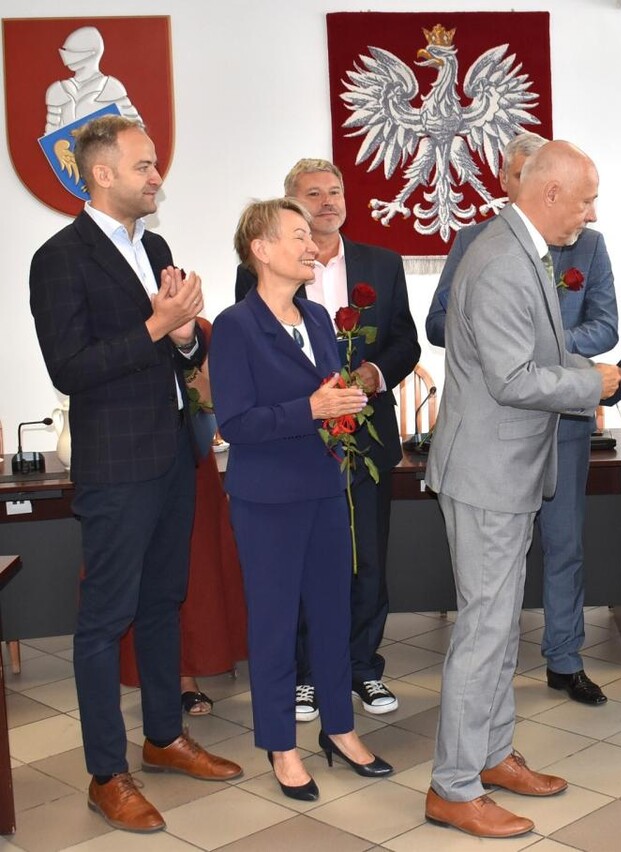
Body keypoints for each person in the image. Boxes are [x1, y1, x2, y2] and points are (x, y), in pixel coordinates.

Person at [29, 114, 242, 834]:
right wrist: (156, 327)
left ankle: (163, 738)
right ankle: (105, 774)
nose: (157, 176)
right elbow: (70, 367)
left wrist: (183, 339)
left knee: (162, 604)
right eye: (144, 165)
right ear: (102, 174)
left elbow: (178, 359)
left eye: (155, 165)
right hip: (117, 467)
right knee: (104, 621)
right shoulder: (60, 258)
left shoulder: (155, 247)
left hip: (172, 454)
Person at [424, 140, 621, 838]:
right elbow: (513, 379)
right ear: (551, 193)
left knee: (501, 624)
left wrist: (590, 372)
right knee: (483, 631)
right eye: (586, 200)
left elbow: (539, 350)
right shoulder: (503, 260)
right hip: (487, 473)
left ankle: (491, 754)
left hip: (506, 468)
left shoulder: (521, 246)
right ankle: (453, 786)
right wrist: (589, 383)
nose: (591, 214)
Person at [211, 198, 394, 803]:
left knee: (334, 613)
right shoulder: (236, 326)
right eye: (298, 235)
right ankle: (281, 746)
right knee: (274, 624)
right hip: (267, 501)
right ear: (261, 250)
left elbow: (328, 396)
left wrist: (342, 407)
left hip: (324, 488)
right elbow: (236, 422)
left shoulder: (316, 318)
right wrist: (312, 409)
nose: (312, 245)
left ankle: (340, 728)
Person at [235, 159, 421, 721]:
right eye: (312, 194)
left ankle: (362, 667)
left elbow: (406, 341)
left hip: (367, 434)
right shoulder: (261, 274)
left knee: (367, 557)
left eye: (334, 191)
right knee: (303, 562)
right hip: (298, 441)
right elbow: (257, 355)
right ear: (291, 205)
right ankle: (306, 676)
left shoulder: (382, 263)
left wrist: (372, 375)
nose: (327, 202)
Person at [118, 317, 248, 717]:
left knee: (196, 570)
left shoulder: (201, 330)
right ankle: (159, 675)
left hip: (191, 461)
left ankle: (188, 674)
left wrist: (192, 365)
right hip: (129, 462)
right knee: (141, 570)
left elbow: (216, 399)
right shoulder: (121, 328)